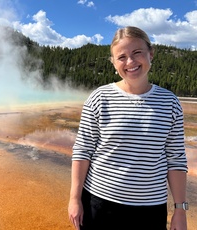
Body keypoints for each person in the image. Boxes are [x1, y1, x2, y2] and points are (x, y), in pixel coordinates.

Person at [68, 26, 188, 230]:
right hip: (99, 202)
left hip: (150, 209)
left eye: (137, 53)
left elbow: (175, 158)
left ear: (151, 54)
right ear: (114, 63)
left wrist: (180, 209)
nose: (130, 62)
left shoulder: (170, 102)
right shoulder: (99, 98)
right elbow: (83, 151)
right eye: (121, 57)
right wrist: (74, 199)